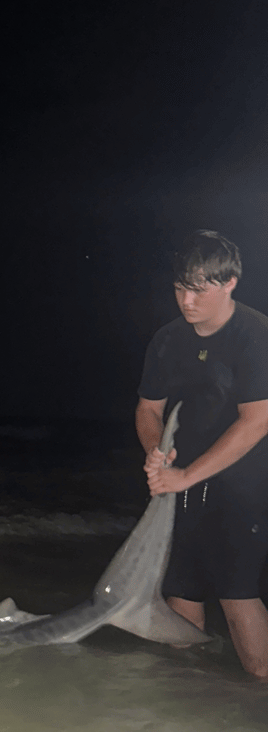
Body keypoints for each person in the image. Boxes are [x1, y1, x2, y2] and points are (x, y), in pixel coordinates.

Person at [137, 230, 268, 678]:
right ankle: (192, 704)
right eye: (179, 287)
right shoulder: (168, 340)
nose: (186, 301)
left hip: (244, 487)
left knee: (237, 595)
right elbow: (147, 408)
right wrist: (155, 451)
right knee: (181, 594)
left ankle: (259, 695)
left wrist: (186, 475)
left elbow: (257, 420)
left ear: (229, 282)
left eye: (198, 288)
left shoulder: (255, 334)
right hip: (182, 485)